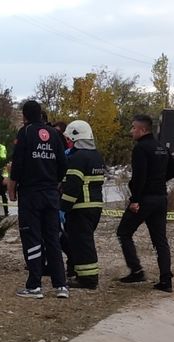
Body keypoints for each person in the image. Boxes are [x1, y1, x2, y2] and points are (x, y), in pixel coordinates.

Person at [8, 101, 69, 299]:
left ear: (24, 116)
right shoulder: (54, 134)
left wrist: (12, 187)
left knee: (32, 237)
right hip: (51, 194)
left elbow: (17, 163)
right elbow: (63, 163)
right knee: (52, 238)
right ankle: (61, 285)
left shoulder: (25, 133)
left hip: (31, 194)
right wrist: (56, 183)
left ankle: (34, 285)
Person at [116, 114, 174, 293]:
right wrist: (159, 181)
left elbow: (139, 177)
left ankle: (136, 271)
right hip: (160, 199)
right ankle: (166, 280)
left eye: (133, 128)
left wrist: (135, 200)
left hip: (144, 200)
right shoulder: (161, 146)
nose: (131, 131)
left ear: (142, 129)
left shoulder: (141, 148)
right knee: (160, 240)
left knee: (123, 232)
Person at [60, 120, 105, 289]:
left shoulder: (78, 158)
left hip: (81, 208)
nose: (67, 143)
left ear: (75, 138)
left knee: (83, 243)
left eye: (69, 140)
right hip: (95, 207)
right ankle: (78, 273)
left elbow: (73, 187)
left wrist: (62, 208)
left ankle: (88, 279)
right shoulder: (95, 156)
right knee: (79, 243)